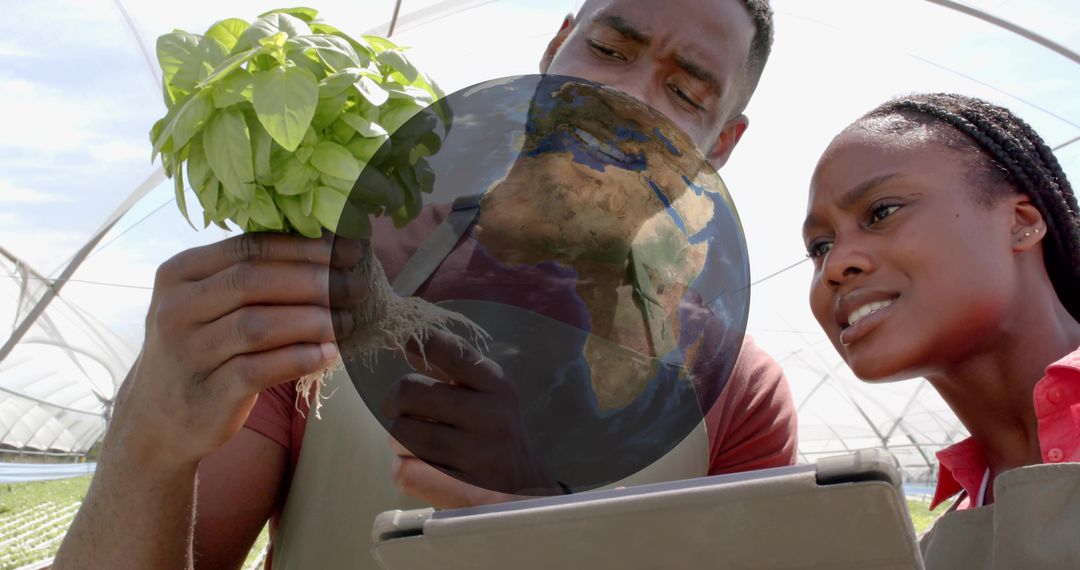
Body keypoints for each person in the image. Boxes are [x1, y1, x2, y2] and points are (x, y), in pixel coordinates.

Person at [54, 1, 797, 568]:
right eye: (607, 48)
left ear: (721, 144)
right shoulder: (339, 275)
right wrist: (147, 441)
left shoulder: (741, 393)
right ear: (555, 46)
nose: (625, 99)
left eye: (686, 93)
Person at [803, 92, 1080, 569]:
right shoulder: (935, 549)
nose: (835, 265)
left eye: (882, 212)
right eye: (820, 246)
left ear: (1020, 223)